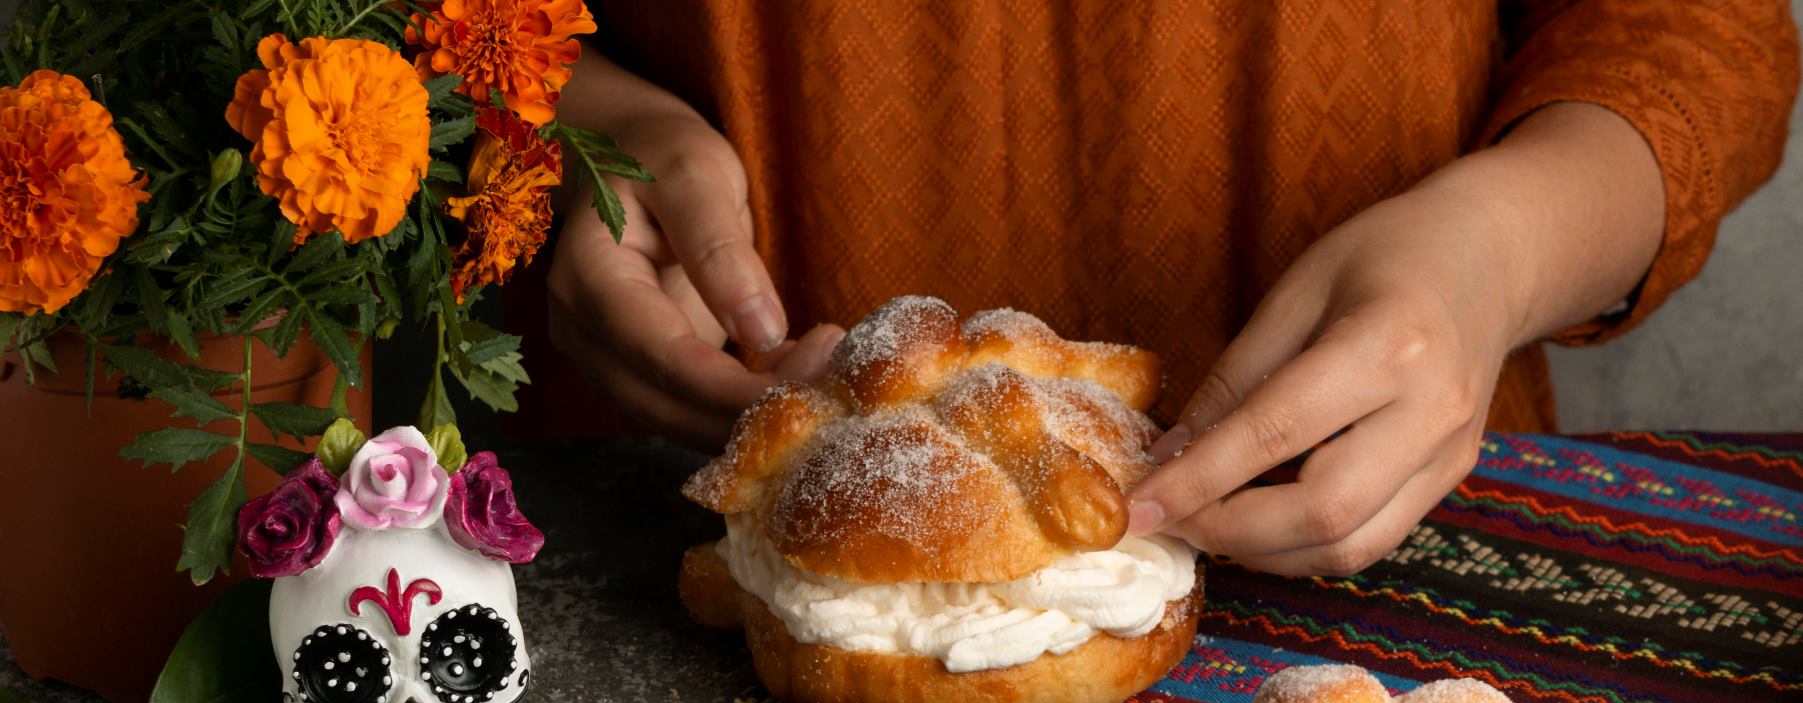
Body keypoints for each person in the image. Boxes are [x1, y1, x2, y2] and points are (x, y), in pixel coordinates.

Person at [546, 3, 1798, 576]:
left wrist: (1504, 248)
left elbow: (1698, 32)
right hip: (655, 538)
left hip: (1386, 530)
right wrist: (566, 120)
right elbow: (388, 16)